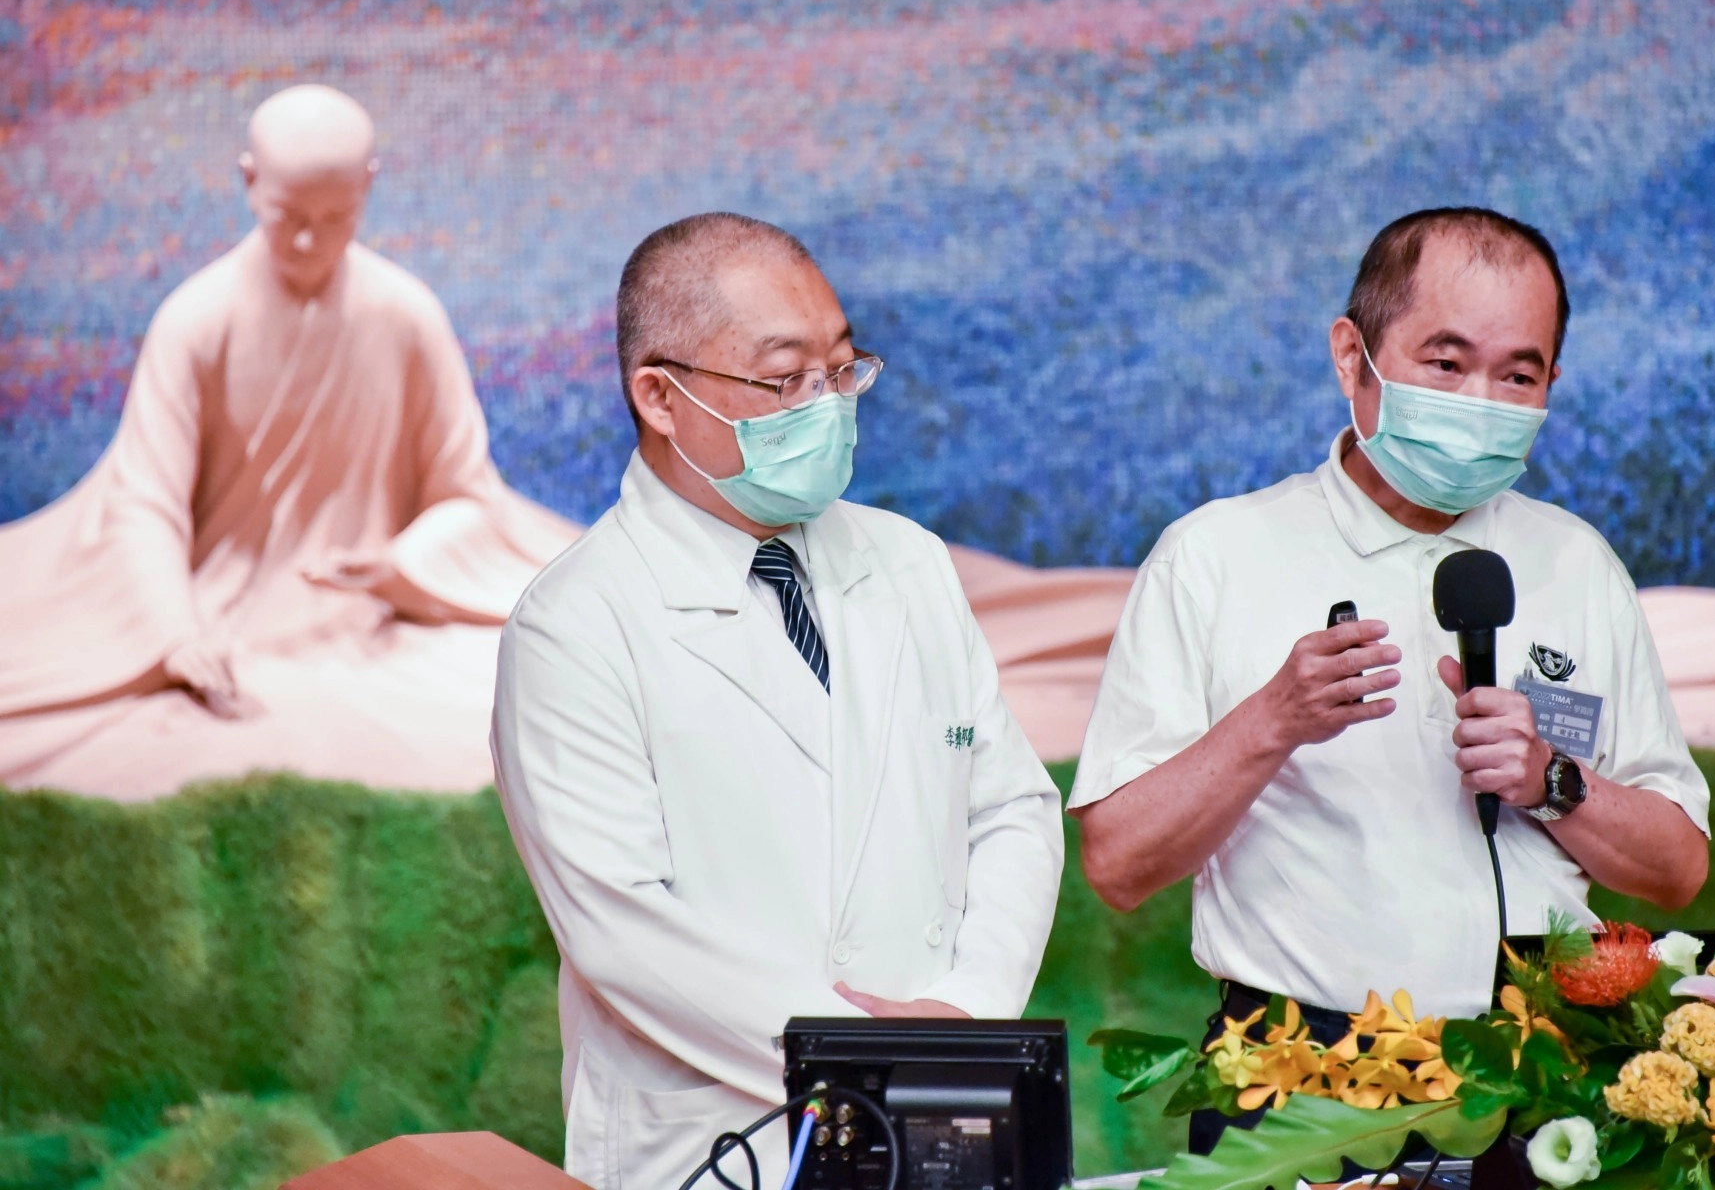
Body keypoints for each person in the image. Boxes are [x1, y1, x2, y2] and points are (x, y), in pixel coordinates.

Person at [1067, 207, 1710, 1153]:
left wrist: (1551, 780)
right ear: (1351, 356)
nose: (1482, 398)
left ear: (1552, 386)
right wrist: (1272, 722)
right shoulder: (1214, 556)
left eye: (1518, 374)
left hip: (1545, 1079)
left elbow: (1678, 869)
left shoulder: (1578, 564)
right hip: (1296, 1081)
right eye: (1446, 364)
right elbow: (1118, 866)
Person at [490, 212, 1064, 1188]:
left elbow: (1010, 808)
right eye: (783, 378)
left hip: (945, 1114)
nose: (827, 403)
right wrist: (861, 1058)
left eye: (842, 370)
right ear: (660, 397)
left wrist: (964, 1020)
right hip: (717, 1141)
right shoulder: (574, 624)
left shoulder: (910, 564)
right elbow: (623, 927)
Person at [0, 84, 575, 797]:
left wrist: (401, 563)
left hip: (377, 622)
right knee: (100, 757)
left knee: (522, 721)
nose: (308, 241)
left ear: (369, 187)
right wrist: (174, 632)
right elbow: (146, 503)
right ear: (248, 181)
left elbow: (466, 496)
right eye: (288, 217)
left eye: (335, 218)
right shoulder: (197, 322)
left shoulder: (406, 316)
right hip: (214, 612)